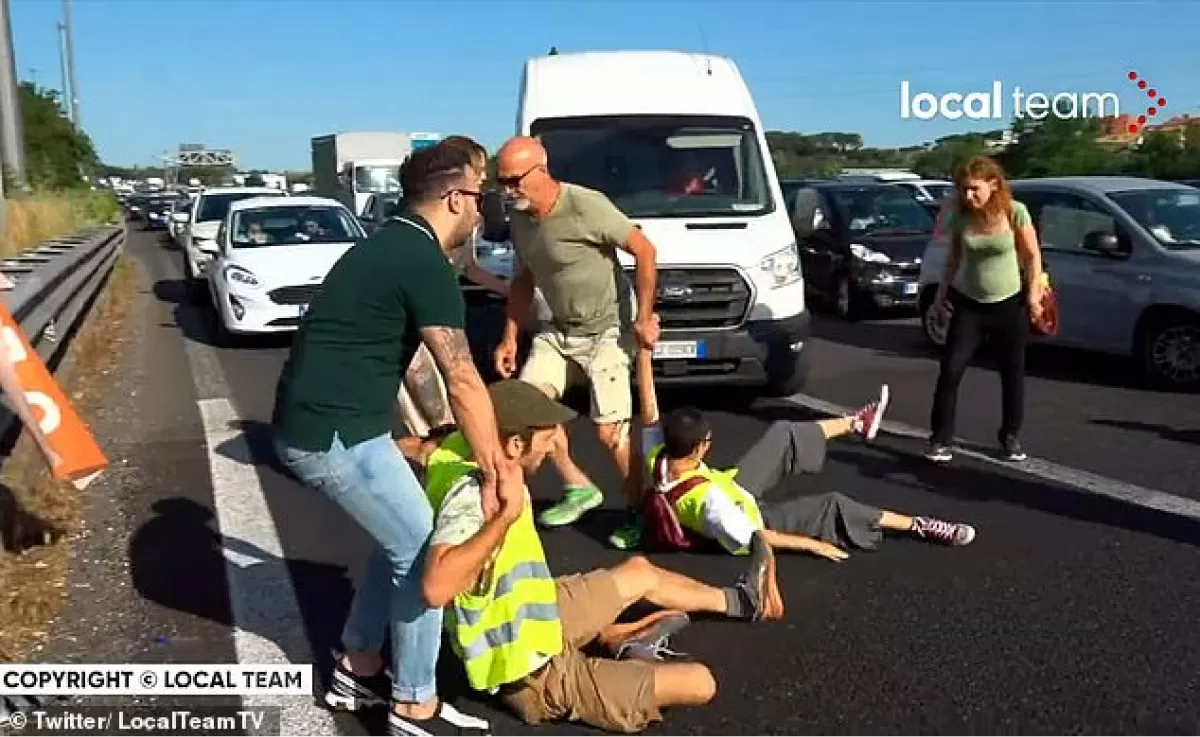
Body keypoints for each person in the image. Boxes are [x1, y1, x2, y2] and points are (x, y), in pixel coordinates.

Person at [271, 142, 521, 736]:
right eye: (480, 195)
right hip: (332, 435)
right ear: (456, 197)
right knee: (420, 548)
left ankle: (358, 665)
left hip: (335, 422)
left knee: (401, 537)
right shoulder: (418, 260)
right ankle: (412, 705)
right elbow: (461, 376)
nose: (485, 209)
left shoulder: (398, 242)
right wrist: (495, 472)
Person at [410, 378, 781, 734]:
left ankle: (745, 601)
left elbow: (405, 448)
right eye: (546, 436)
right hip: (529, 672)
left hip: (538, 609)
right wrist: (505, 517)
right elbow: (436, 587)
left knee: (640, 571)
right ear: (515, 445)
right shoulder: (476, 495)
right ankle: (627, 649)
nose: (554, 443)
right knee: (701, 682)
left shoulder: (455, 447)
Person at [639, 343, 976, 558]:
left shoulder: (659, 457)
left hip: (734, 488)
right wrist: (814, 545)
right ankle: (919, 525)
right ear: (699, 449)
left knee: (782, 433)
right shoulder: (710, 504)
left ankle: (856, 423)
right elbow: (758, 537)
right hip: (750, 518)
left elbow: (649, 408)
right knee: (832, 504)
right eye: (709, 440)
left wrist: (644, 349)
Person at [492, 135, 661, 551]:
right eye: (502, 182)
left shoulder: (586, 205)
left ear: (541, 171)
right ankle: (577, 486)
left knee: (609, 433)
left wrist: (642, 317)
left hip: (606, 331)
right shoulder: (520, 218)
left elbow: (644, 250)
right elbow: (525, 278)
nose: (508, 191)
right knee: (525, 415)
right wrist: (509, 337)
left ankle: (640, 513)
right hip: (558, 332)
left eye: (514, 181)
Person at [927, 155, 1045, 464]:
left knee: (1012, 373)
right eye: (963, 189)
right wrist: (941, 298)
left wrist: (1033, 297)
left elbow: (1032, 257)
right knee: (951, 369)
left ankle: (1010, 435)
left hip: (1009, 303)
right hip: (969, 304)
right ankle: (940, 439)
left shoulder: (1014, 212)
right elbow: (952, 261)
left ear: (993, 185)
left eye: (974, 189)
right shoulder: (960, 217)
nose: (968, 196)